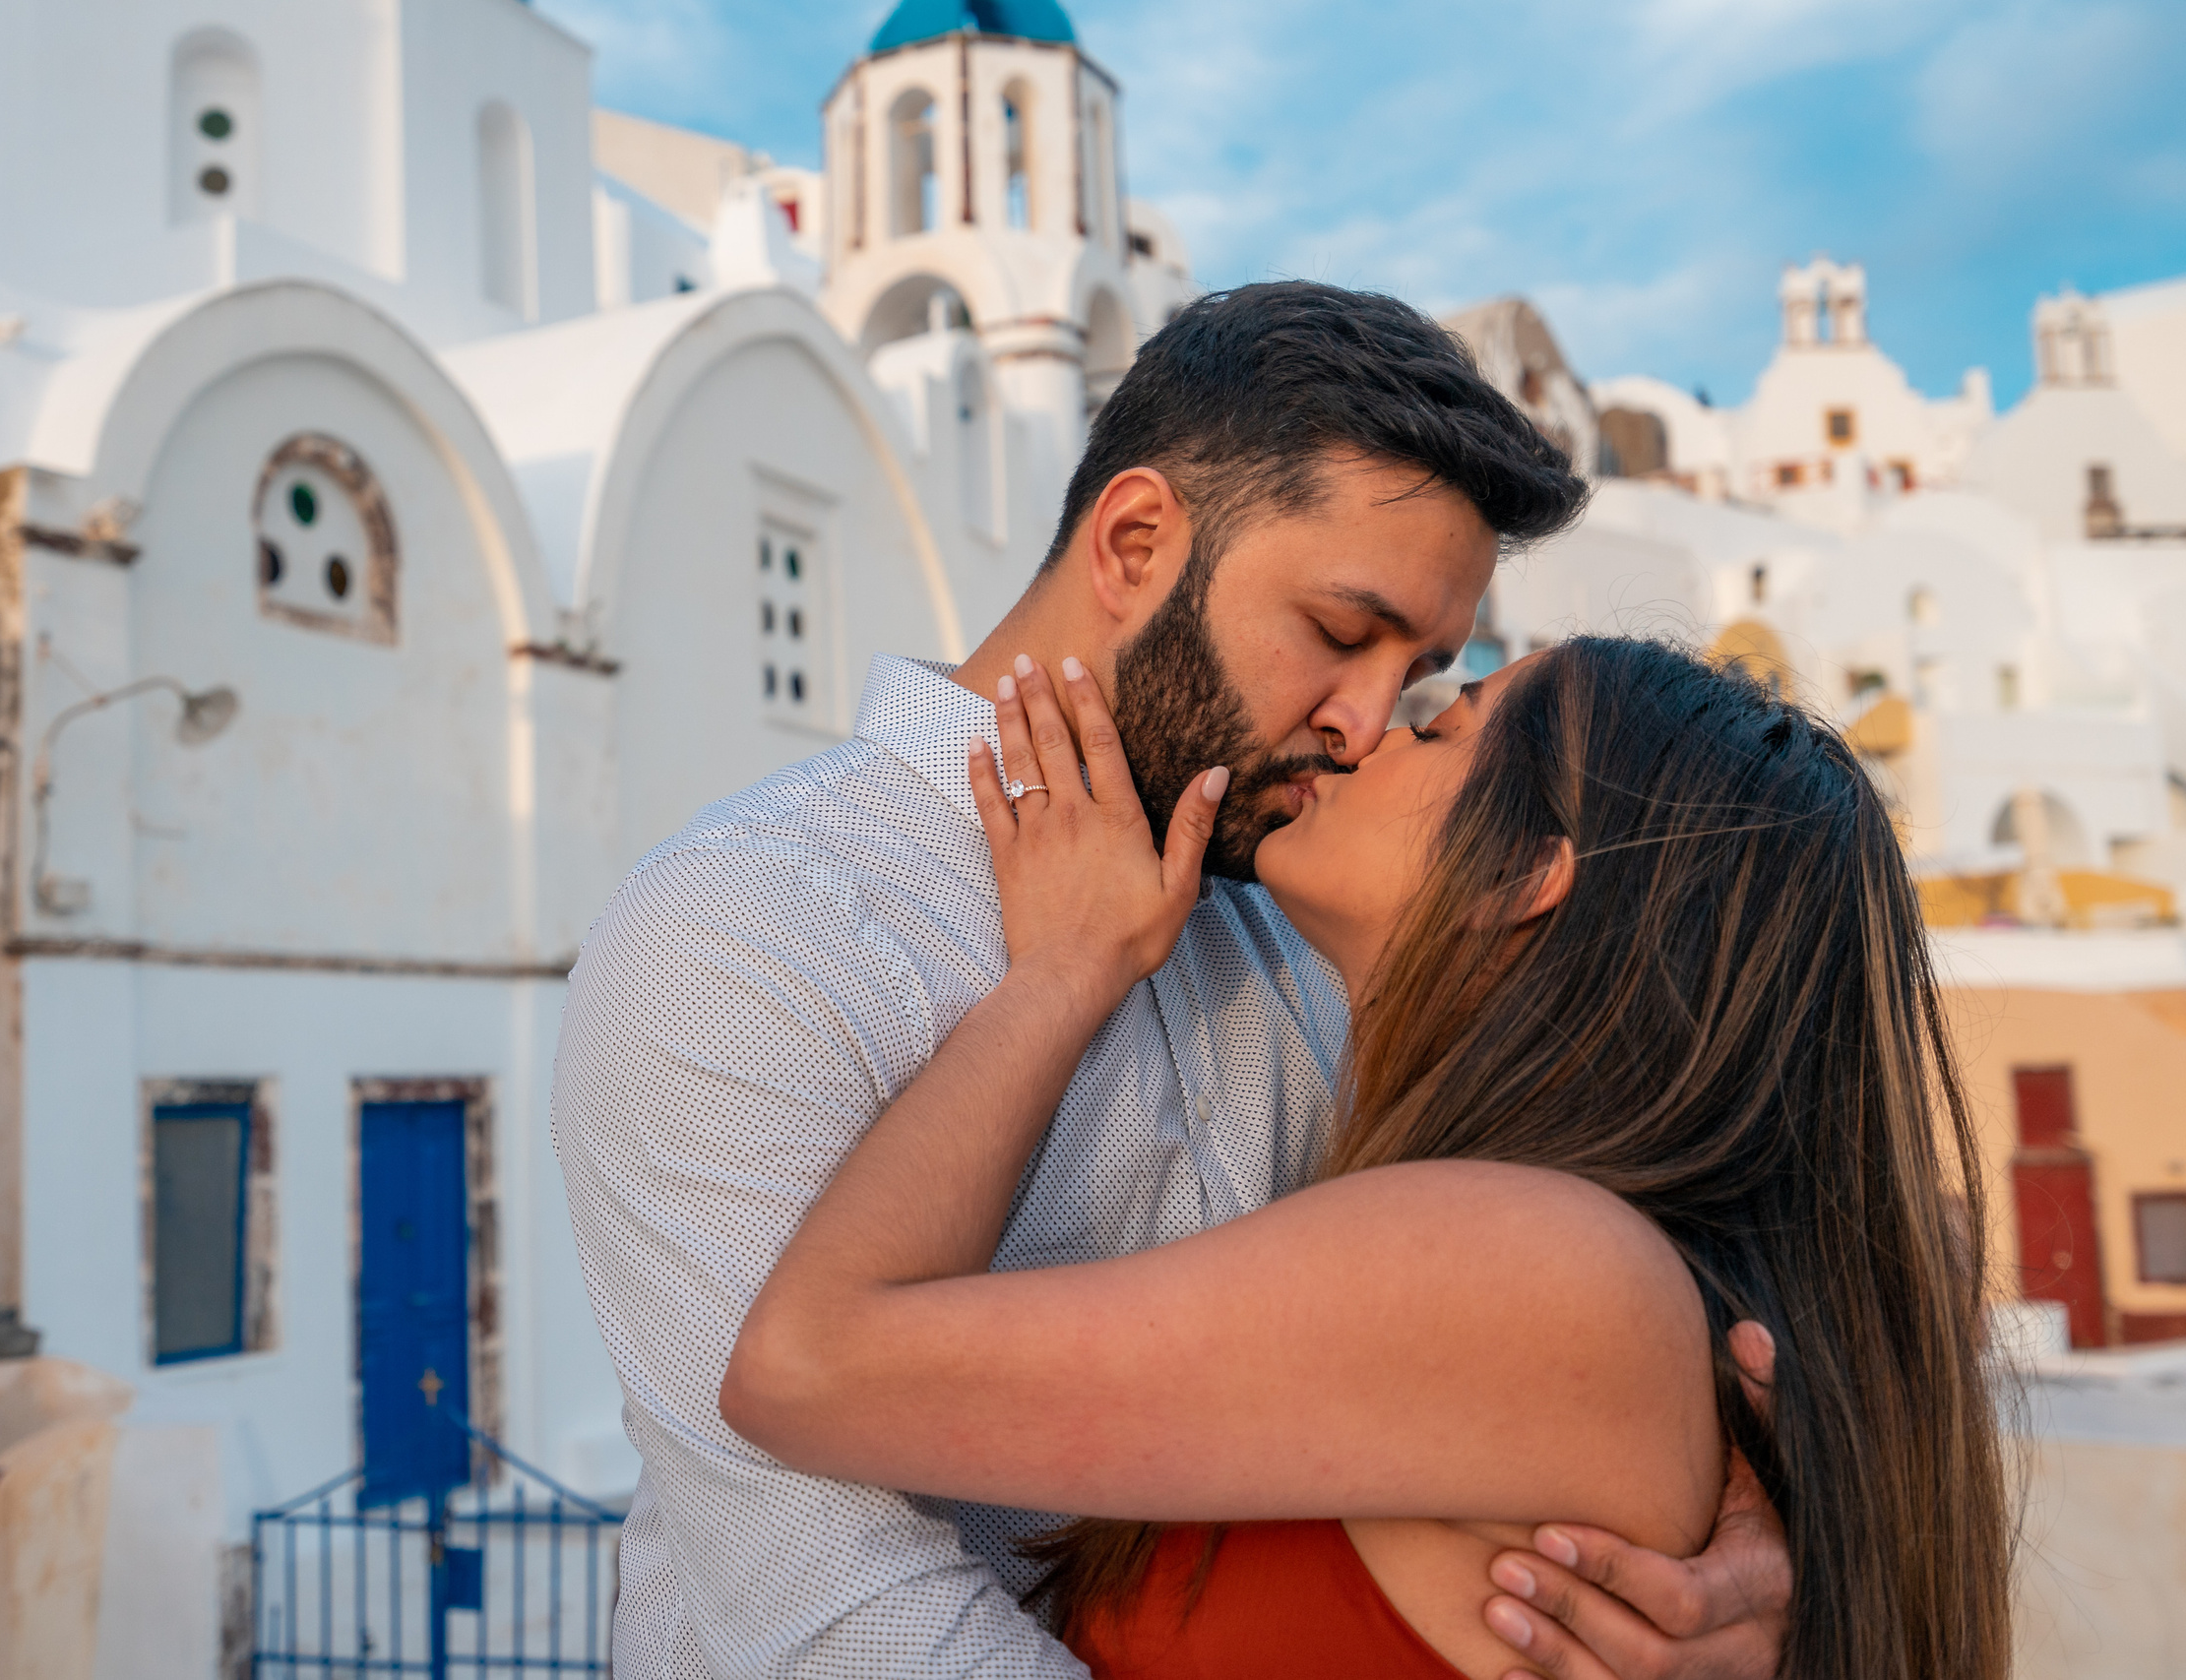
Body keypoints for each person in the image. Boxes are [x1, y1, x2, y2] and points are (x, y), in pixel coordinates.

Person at [552, 281, 1793, 1678]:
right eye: (1340, 633)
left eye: (1425, 675)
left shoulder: (1303, 934)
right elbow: (834, 1614)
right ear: (1137, 541)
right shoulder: (745, 934)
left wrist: (1737, 1562)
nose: (1365, 724)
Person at [721, 638, 2011, 1680]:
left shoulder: (1528, 1266)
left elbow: (805, 1369)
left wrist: (1066, 971)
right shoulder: (1559, 1262)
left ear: (1527, 872)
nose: (1373, 727)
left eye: (1444, 727)